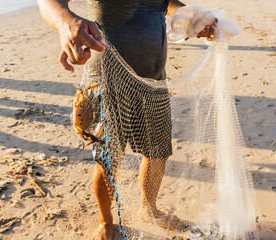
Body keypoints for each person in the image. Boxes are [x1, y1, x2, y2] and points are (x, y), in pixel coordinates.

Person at [39, 1, 217, 239]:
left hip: (154, 81)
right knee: (108, 158)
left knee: (158, 151)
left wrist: (193, 16)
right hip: (106, 81)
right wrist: (65, 21)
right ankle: (105, 219)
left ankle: (149, 209)